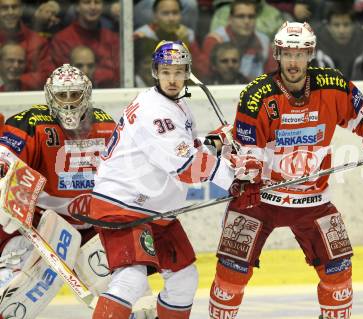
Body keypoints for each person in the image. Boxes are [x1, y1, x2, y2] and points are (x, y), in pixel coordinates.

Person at [205, 21, 363, 319]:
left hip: (313, 200)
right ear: (278, 54)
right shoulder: (256, 95)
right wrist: (246, 178)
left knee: (339, 274)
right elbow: (249, 149)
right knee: (230, 274)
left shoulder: (334, 86)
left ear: (310, 54)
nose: (293, 61)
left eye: (300, 54)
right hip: (260, 199)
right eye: (287, 54)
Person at [89, 40, 263, 319]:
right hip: (124, 205)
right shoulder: (154, 111)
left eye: (179, 71)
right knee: (132, 279)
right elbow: (187, 168)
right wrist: (235, 177)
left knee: (184, 279)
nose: (172, 78)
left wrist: (218, 142)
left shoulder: (176, 104)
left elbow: (192, 149)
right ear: (156, 71)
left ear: (187, 73)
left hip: (156, 209)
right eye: (166, 71)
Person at [0, 64, 116, 318]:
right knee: (11, 289)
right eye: (62, 95)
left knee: (126, 293)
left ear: (86, 94)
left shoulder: (107, 125)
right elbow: (5, 164)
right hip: (43, 225)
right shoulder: (30, 123)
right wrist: (5, 189)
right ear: (50, 96)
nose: (69, 103)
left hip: (92, 227)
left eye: (74, 94)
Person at [50, 0, 120, 88]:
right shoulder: (62, 39)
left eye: (97, 2)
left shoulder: (112, 39)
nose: (93, 7)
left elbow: (119, 76)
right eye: (87, 2)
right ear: (77, 7)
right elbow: (63, 79)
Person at [203, 0, 277, 81]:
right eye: (241, 16)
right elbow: (206, 76)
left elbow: (272, 77)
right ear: (230, 19)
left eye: (251, 17)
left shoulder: (264, 41)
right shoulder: (215, 40)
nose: (247, 21)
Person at [134, 0, 206, 78]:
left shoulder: (187, 34)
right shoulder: (142, 35)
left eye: (175, 13)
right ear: (155, 16)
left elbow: (201, 71)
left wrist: (186, 45)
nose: (171, 18)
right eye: (165, 13)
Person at [314, 2, 363, 80]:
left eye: (346, 24)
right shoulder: (314, 50)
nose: (341, 31)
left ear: (354, 26)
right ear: (328, 27)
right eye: (336, 25)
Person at [0, 0, 52, 90]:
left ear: (21, 10)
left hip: (28, 97)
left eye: (14, 7)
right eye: (4, 8)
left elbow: (47, 75)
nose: (10, 12)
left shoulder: (38, 42)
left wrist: (14, 81)